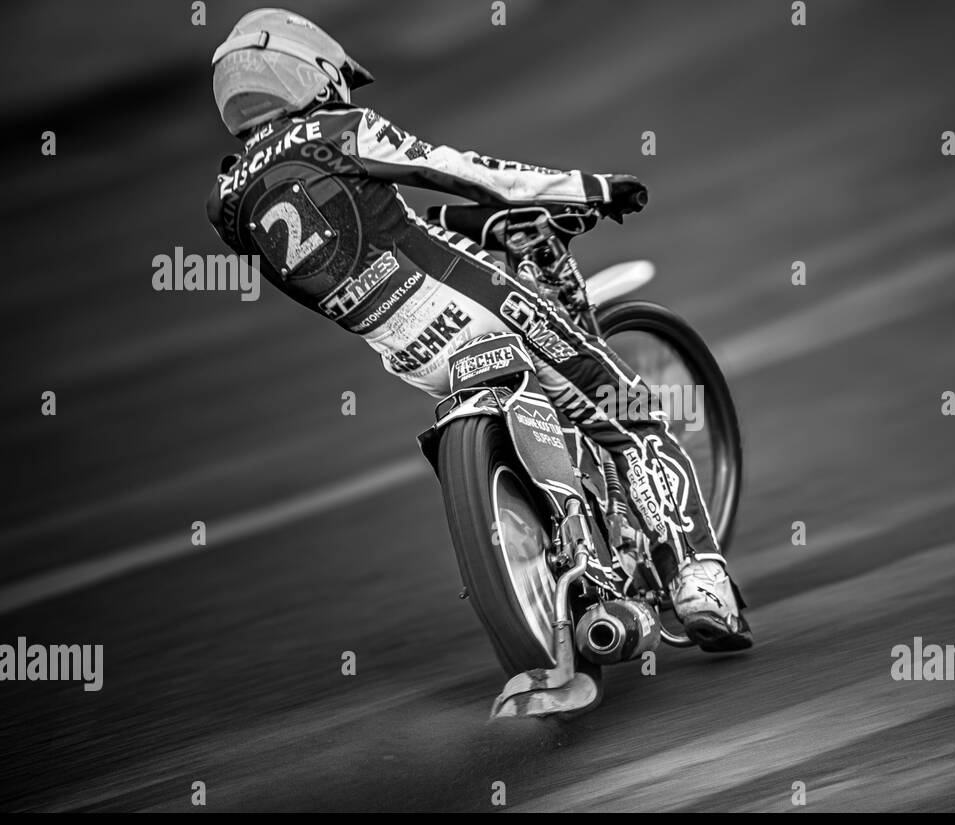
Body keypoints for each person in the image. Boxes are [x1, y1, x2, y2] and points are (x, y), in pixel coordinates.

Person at [206, 9, 752, 651]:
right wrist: (589, 187)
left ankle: (564, 550)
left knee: (542, 395)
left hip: (411, 356)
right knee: (634, 416)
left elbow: (364, 230)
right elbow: (463, 170)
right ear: (312, 74)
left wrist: (476, 228)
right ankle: (698, 580)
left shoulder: (227, 203)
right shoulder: (337, 130)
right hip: (490, 309)